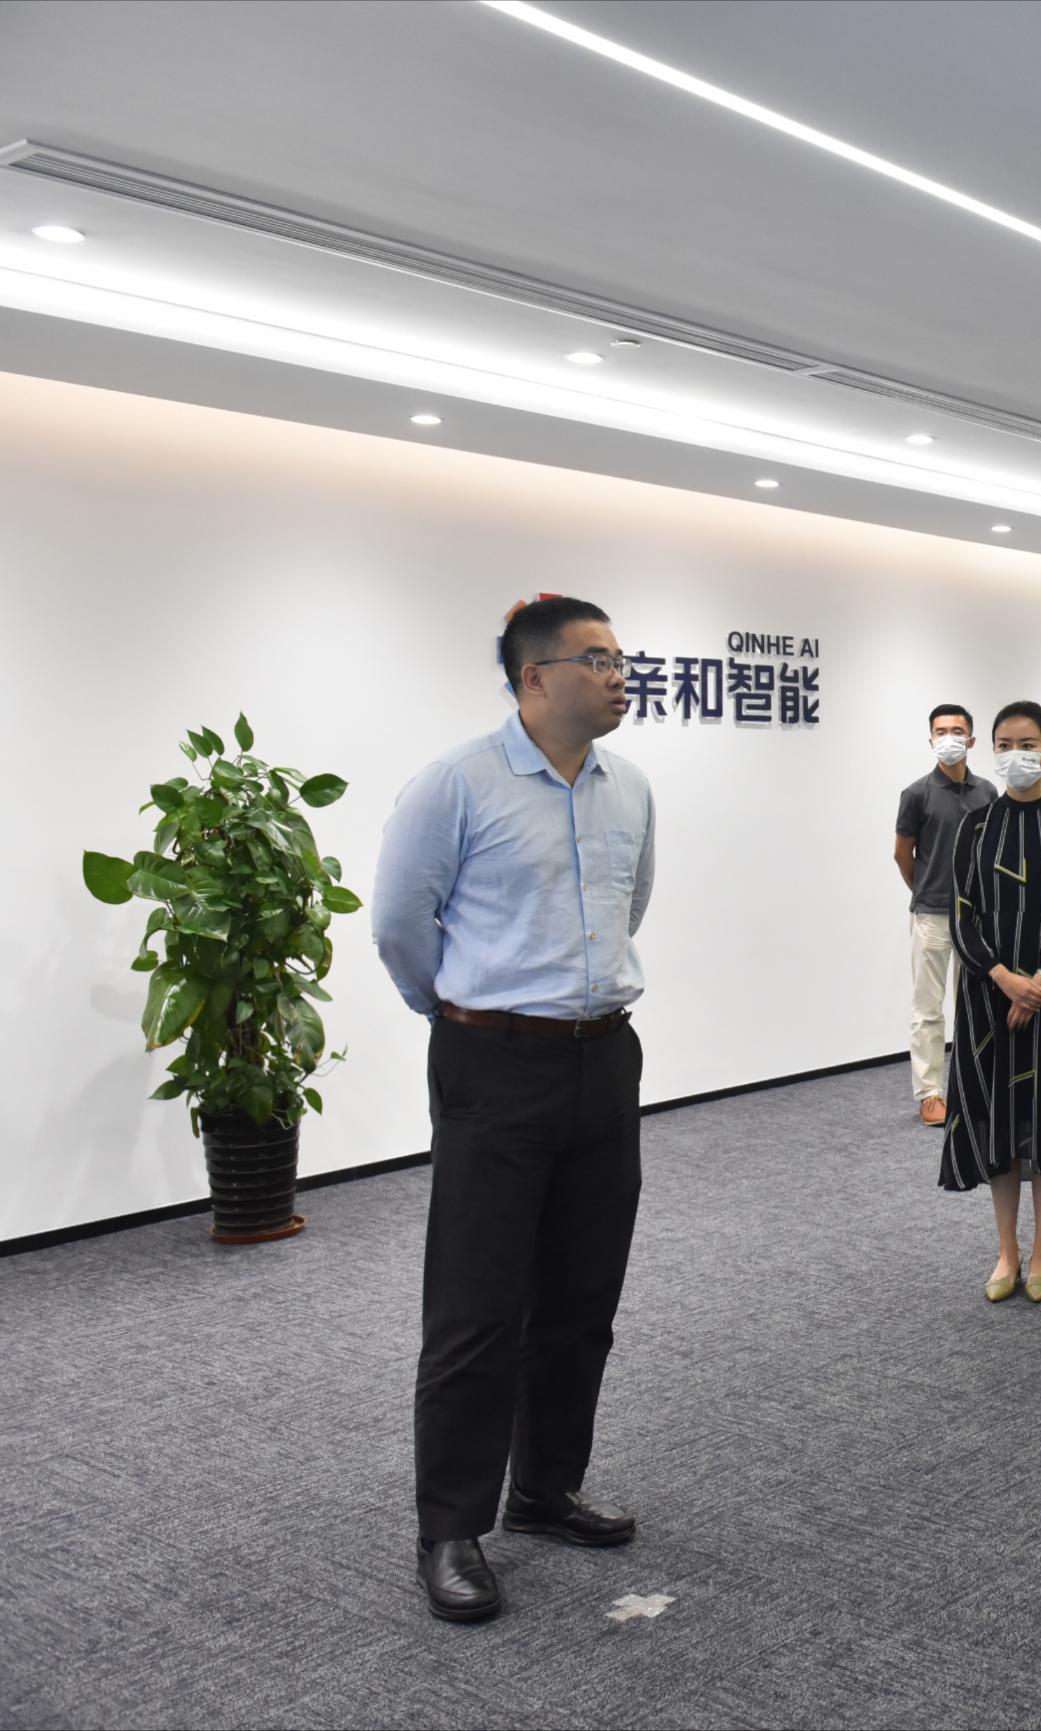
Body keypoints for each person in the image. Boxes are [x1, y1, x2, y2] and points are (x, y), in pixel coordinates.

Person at [374, 596, 656, 1624]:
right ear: (535, 677)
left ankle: (544, 1489)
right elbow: (400, 924)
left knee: (581, 1299)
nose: (620, 675)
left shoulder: (631, 789)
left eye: (622, 658)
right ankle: (450, 1527)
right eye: (597, 659)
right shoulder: (456, 783)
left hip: (603, 1058)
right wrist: (460, 1014)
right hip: (493, 1060)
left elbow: (630, 907)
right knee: (477, 1306)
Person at [939, 701, 1041, 1305]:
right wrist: (1005, 977)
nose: (1014, 755)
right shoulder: (975, 827)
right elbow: (962, 916)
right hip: (988, 999)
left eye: (1026, 744)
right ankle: (1006, 1250)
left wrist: (1040, 981)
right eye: (1003, 744)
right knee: (997, 1121)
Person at [895, 705, 997, 1127]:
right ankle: (930, 1094)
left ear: (971, 739)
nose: (949, 737)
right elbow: (903, 854)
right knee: (928, 1010)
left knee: (975, 1007)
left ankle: (972, 1087)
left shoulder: (987, 792)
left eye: (957, 730)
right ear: (930, 739)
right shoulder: (916, 794)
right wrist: (926, 890)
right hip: (933, 916)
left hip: (977, 918)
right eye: (941, 731)